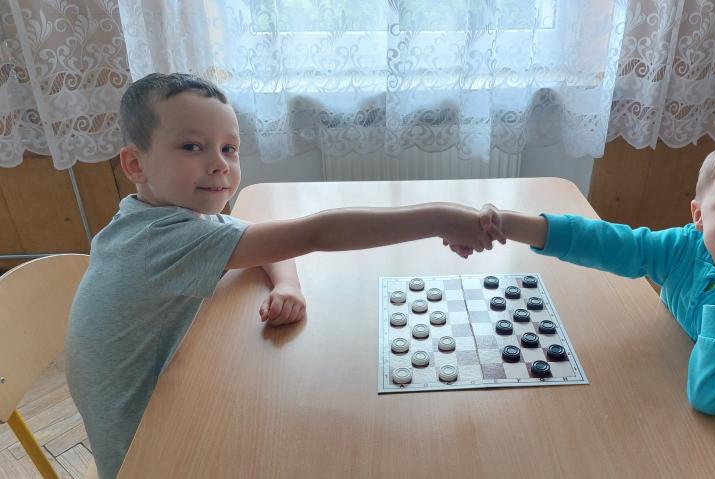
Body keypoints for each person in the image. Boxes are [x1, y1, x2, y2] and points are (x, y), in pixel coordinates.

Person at [66, 72, 505, 479]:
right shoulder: (162, 240)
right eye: (192, 147)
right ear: (135, 165)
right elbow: (315, 234)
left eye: (229, 148)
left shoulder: (156, 217)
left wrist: (287, 284)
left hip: (164, 405)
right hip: (149, 453)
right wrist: (439, 218)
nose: (219, 164)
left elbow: (263, 240)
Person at [450, 132, 715, 436]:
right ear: (699, 216)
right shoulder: (690, 246)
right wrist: (507, 224)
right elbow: (612, 244)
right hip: (658, 389)